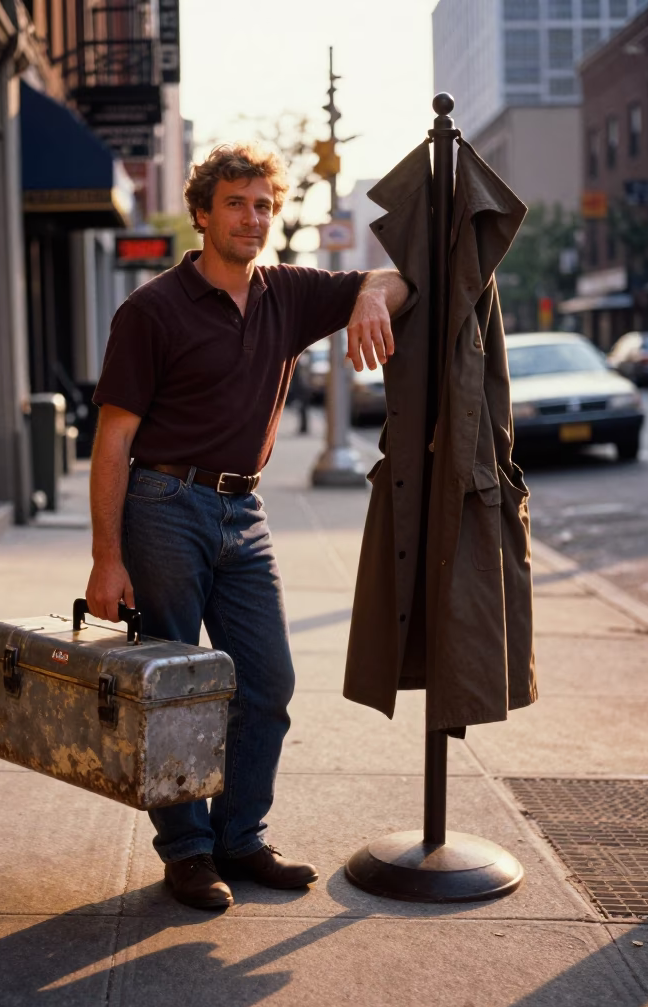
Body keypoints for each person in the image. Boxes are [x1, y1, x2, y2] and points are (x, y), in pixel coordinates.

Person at [85, 143, 409, 910]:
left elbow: (400, 277)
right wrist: (106, 557)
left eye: (264, 204)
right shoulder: (151, 309)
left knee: (267, 682)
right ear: (202, 213)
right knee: (173, 687)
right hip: (165, 505)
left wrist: (367, 293)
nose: (252, 218)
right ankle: (189, 851)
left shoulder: (287, 295)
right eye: (235, 203)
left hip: (246, 511)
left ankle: (242, 837)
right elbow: (113, 440)